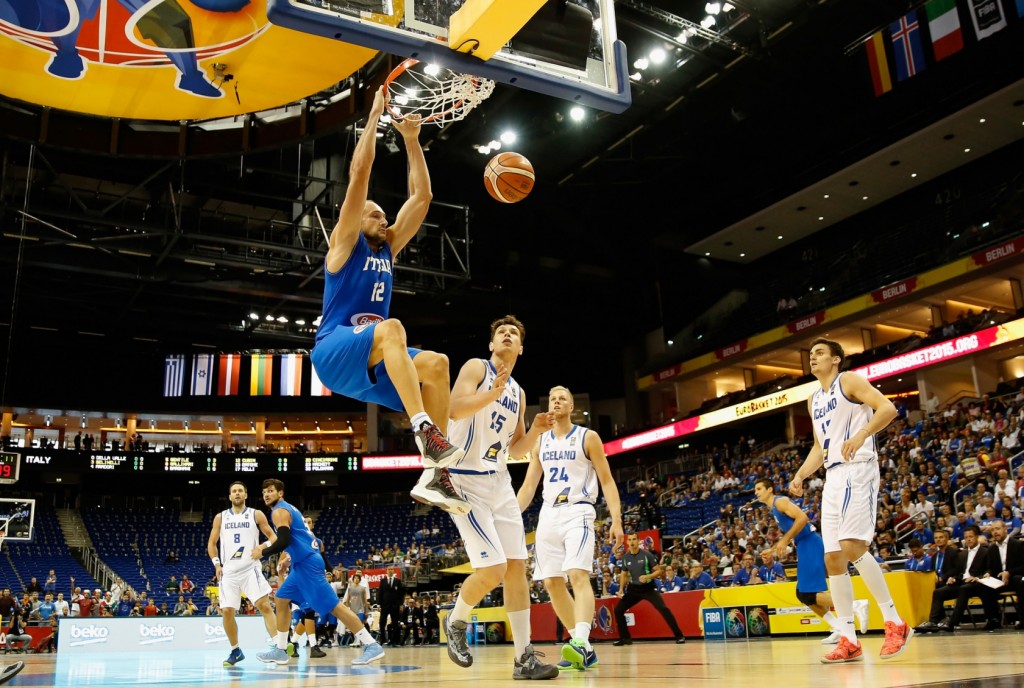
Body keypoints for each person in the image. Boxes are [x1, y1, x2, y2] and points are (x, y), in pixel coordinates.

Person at [308, 86, 467, 515]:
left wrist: (413, 140)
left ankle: (437, 476)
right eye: (375, 214)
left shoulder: (387, 249)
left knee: (436, 364)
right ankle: (425, 432)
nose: (384, 218)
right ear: (356, 220)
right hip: (333, 352)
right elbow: (359, 174)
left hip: (373, 361)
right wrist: (375, 118)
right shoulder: (344, 245)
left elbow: (423, 198)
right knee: (392, 326)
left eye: (384, 215)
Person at [441, 315, 558, 680]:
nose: (507, 336)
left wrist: (536, 431)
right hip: (463, 479)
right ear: (492, 344)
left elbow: (517, 448)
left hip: (499, 481)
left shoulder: (519, 393)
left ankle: (524, 658)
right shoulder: (477, 367)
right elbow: (454, 409)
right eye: (501, 333)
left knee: (516, 570)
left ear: (521, 348)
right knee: (491, 570)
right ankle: (456, 621)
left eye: (514, 334)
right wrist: (490, 393)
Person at [790, 338, 911, 663]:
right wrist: (801, 474)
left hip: (858, 469)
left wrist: (861, 435)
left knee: (853, 546)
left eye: (819, 353)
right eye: (810, 353)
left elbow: (887, 408)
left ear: (836, 360)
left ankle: (896, 622)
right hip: (832, 476)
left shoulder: (849, 381)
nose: (812, 358)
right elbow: (820, 447)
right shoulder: (814, 399)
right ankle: (848, 638)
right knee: (833, 559)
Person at [517, 384, 624, 672]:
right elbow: (529, 486)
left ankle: (581, 641)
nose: (557, 401)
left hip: (579, 510)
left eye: (562, 398)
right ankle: (582, 647)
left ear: (571, 407)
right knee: (551, 582)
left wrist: (616, 519)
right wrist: (513, 516)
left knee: (578, 574)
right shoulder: (541, 442)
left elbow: (607, 480)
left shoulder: (588, 437)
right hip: (548, 514)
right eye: (552, 398)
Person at [253, 479, 385, 666]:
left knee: (335, 607)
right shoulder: (288, 509)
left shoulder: (279, 511)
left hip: (308, 564)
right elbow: (298, 539)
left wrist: (263, 552)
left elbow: (282, 540)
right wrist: (288, 558)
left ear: (280, 493)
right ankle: (281, 650)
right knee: (281, 599)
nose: (266, 494)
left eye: (271, 491)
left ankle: (371, 645)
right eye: (264, 491)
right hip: (301, 563)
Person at [754, 478, 868, 645]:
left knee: (807, 593)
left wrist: (785, 540)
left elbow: (803, 518)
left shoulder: (780, 502)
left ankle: (856, 605)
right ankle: (839, 628)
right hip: (804, 544)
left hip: (811, 543)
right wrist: (773, 549)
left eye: (759, 488)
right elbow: (794, 532)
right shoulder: (774, 509)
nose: (756, 492)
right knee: (803, 594)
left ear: (770, 489)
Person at [206, 481, 283, 667]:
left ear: (246, 495)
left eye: (241, 490)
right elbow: (211, 543)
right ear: (230, 496)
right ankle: (235, 650)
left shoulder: (255, 514)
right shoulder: (220, 517)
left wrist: (262, 548)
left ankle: (279, 648)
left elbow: (274, 537)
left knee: (264, 605)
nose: (237, 493)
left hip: (250, 568)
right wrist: (216, 564)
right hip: (229, 572)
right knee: (226, 611)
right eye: (234, 491)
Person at [612, 532, 686, 646]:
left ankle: (679, 635)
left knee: (663, 608)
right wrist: (621, 589)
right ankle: (625, 638)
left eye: (634, 539)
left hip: (648, 588)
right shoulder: (626, 557)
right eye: (630, 540)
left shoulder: (647, 555)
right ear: (627, 542)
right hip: (633, 590)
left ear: (638, 541)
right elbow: (624, 574)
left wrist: (648, 576)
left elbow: (658, 570)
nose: (632, 542)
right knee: (618, 609)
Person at [378, 565, 404, 647]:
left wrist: (401, 604)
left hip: (395, 605)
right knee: (382, 623)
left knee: (395, 623)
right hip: (384, 605)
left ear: (394, 571)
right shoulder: (383, 581)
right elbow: (380, 593)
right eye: (389, 569)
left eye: (392, 569)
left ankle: (394, 640)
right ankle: (383, 640)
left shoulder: (398, 581)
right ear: (386, 571)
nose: (390, 570)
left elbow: (401, 594)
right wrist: (379, 604)